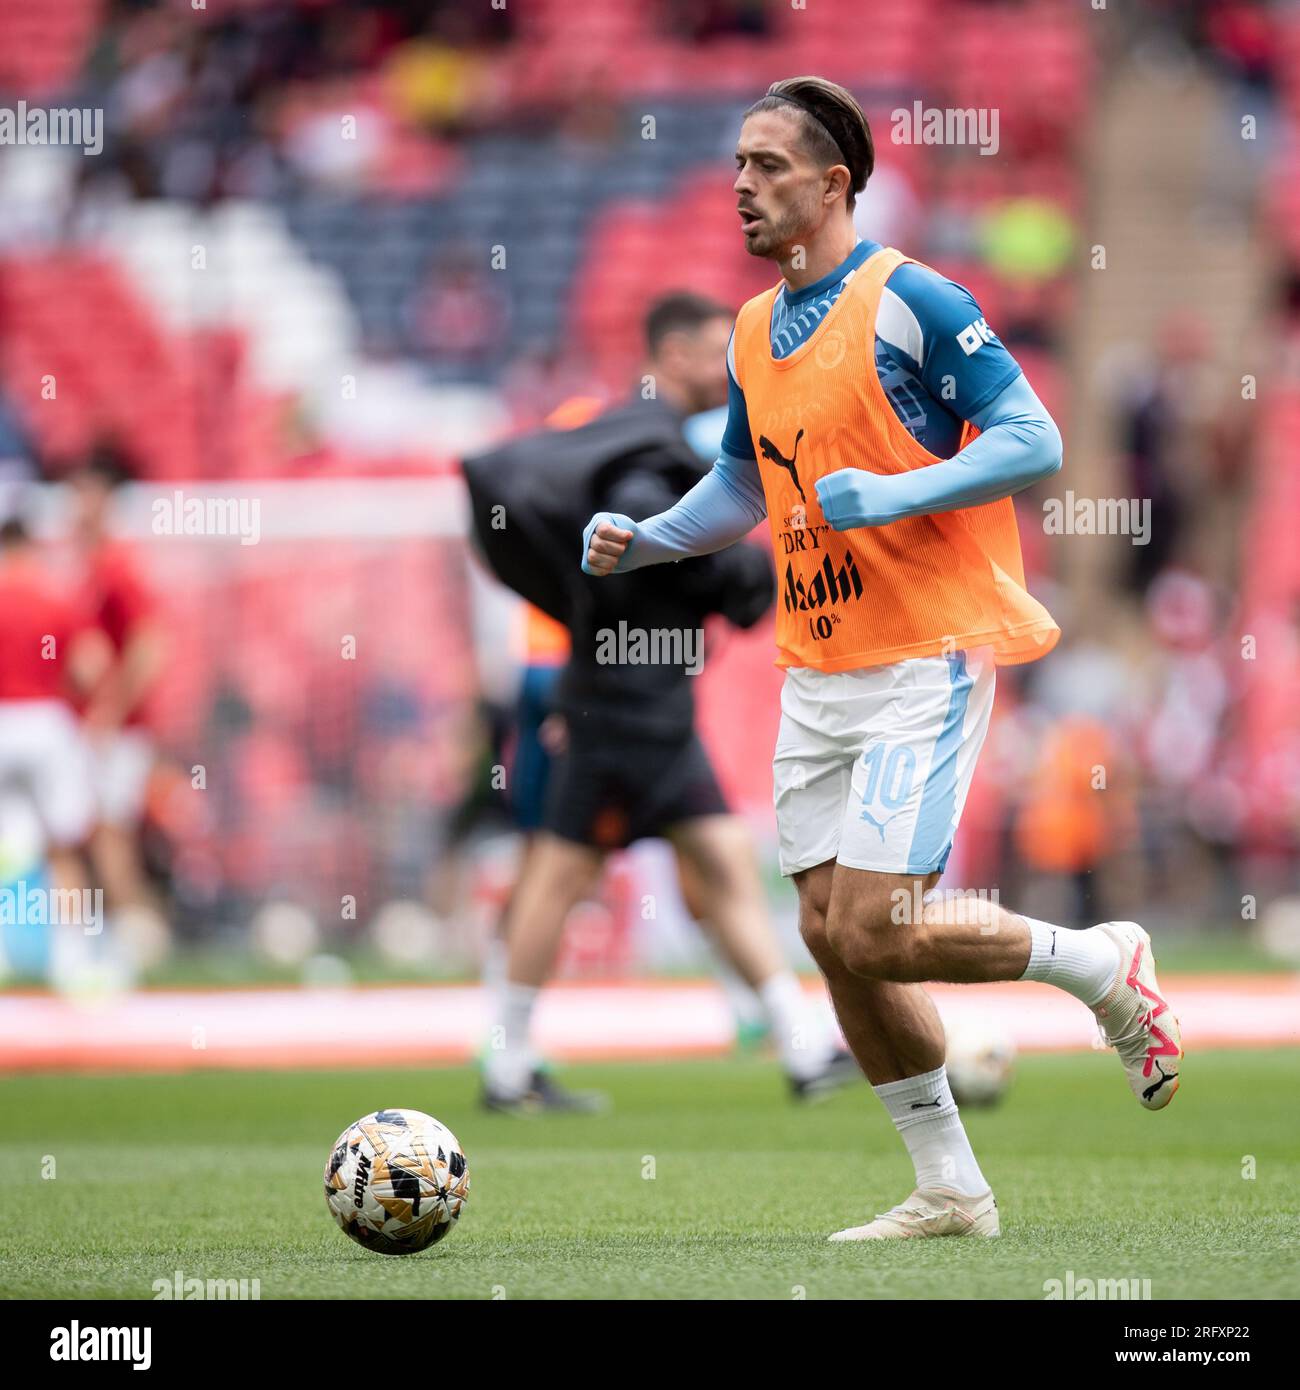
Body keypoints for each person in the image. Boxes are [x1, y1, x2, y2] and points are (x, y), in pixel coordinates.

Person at [582, 77, 1183, 1240]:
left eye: (766, 165)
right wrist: (651, 541)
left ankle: (1102, 962)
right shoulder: (753, 330)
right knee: (827, 933)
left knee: (877, 924)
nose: (742, 186)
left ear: (831, 183)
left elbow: (1032, 436)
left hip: (926, 655)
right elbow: (745, 486)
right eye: (737, 165)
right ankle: (951, 1187)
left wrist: (901, 487)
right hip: (819, 667)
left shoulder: (911, 296)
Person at [468, 292, 858, 1113]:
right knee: (570, 872)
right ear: (675, 356)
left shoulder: (621, 440)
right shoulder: (644, 454)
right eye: (720, 349)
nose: (732, 366)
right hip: (622, 709)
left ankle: (802, 1043)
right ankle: (508, 1066)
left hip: (636, 704)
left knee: (702, 864)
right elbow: (665, 551)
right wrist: (743, 574)